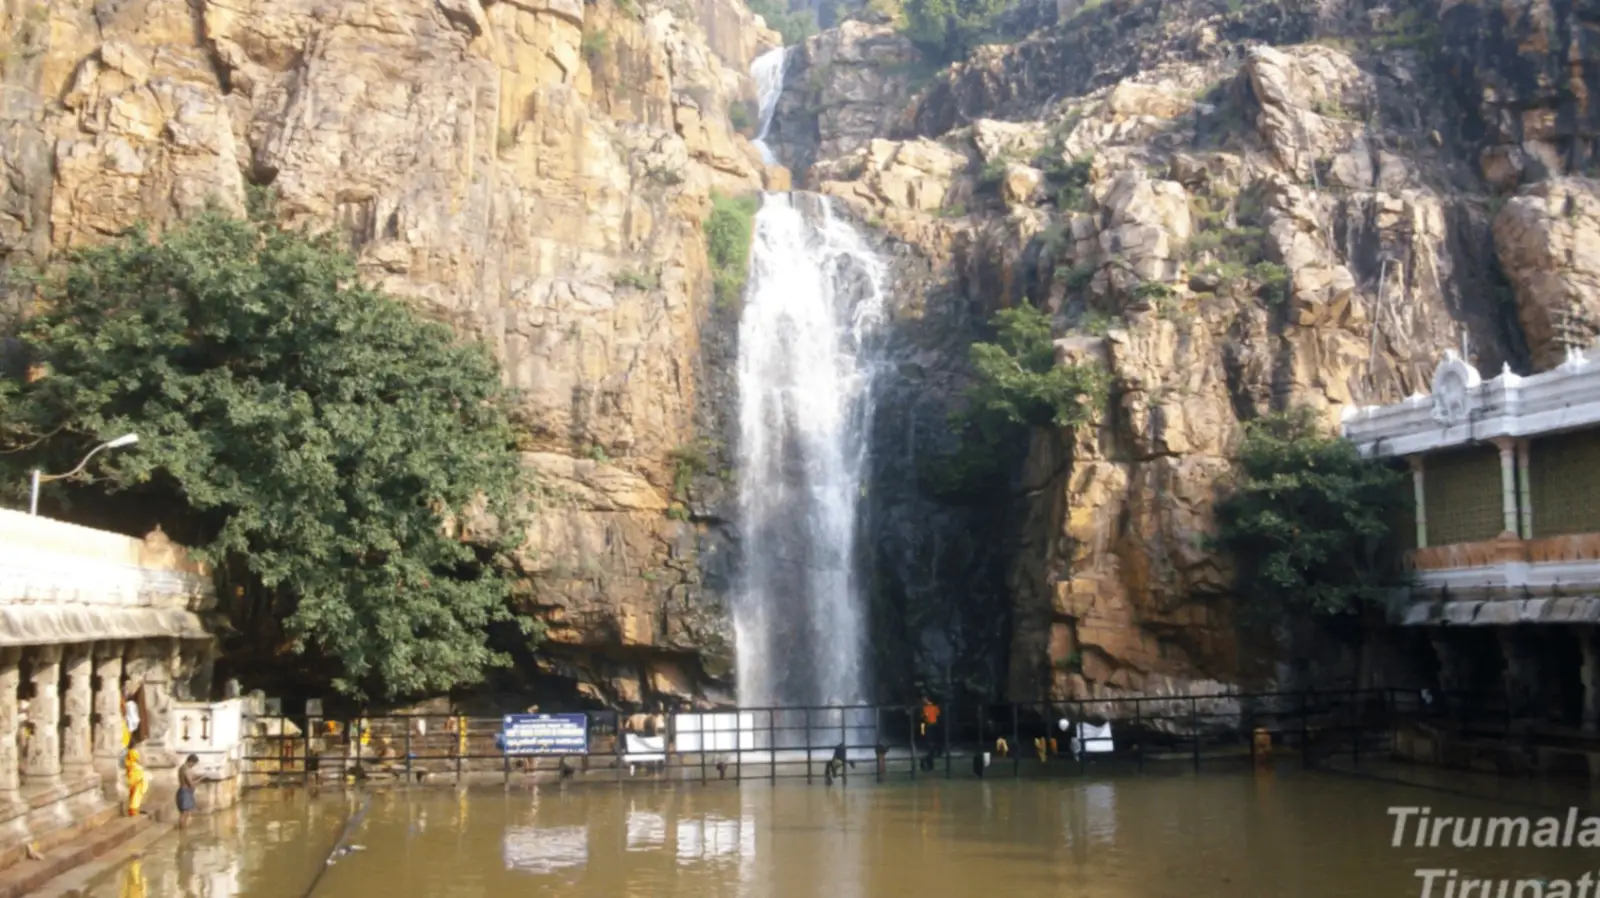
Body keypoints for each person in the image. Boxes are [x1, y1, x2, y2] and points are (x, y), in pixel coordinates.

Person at [177, 754, 199, 827]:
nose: (193, 766)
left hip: (184, 791)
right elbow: (190, 783)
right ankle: (182, 834)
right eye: (194, 764)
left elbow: (190, 778)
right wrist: (201, 780)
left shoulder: (182, 768)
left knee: (186, 813)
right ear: (191, 761)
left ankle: (183, 831)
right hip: (185, 792)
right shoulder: (185, 769)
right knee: (185, 813)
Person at [124, 748, 147, 816]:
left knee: (133, 795)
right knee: (135, 796)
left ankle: (133, 809)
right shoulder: (135, 765)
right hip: (136, 781)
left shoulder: (129, 763)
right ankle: (133, 810)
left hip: (132, 780)